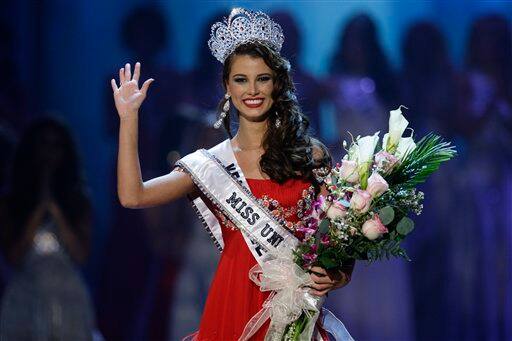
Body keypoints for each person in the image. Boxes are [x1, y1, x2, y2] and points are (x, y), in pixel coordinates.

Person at [111, 8, 354, 340]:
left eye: (262, 78)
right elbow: (132, 195)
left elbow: (338, 232)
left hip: (296, 304)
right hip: (235, 300)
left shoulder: (311, 154)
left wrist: (340, 273)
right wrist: (129, 118)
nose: (252, 90)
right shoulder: (210, 163)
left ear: (277, 83)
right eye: (241, 79)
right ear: (227, 85)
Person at [0, 117, 97, 340]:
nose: (49, 154)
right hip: (25, 296)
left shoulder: (79, 201)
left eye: (56, 146)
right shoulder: (11, 202)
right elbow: (13, 257)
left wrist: (55, 209)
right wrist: (37, 210)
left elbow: (81, 255)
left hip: (68, 297)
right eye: (43, 144)